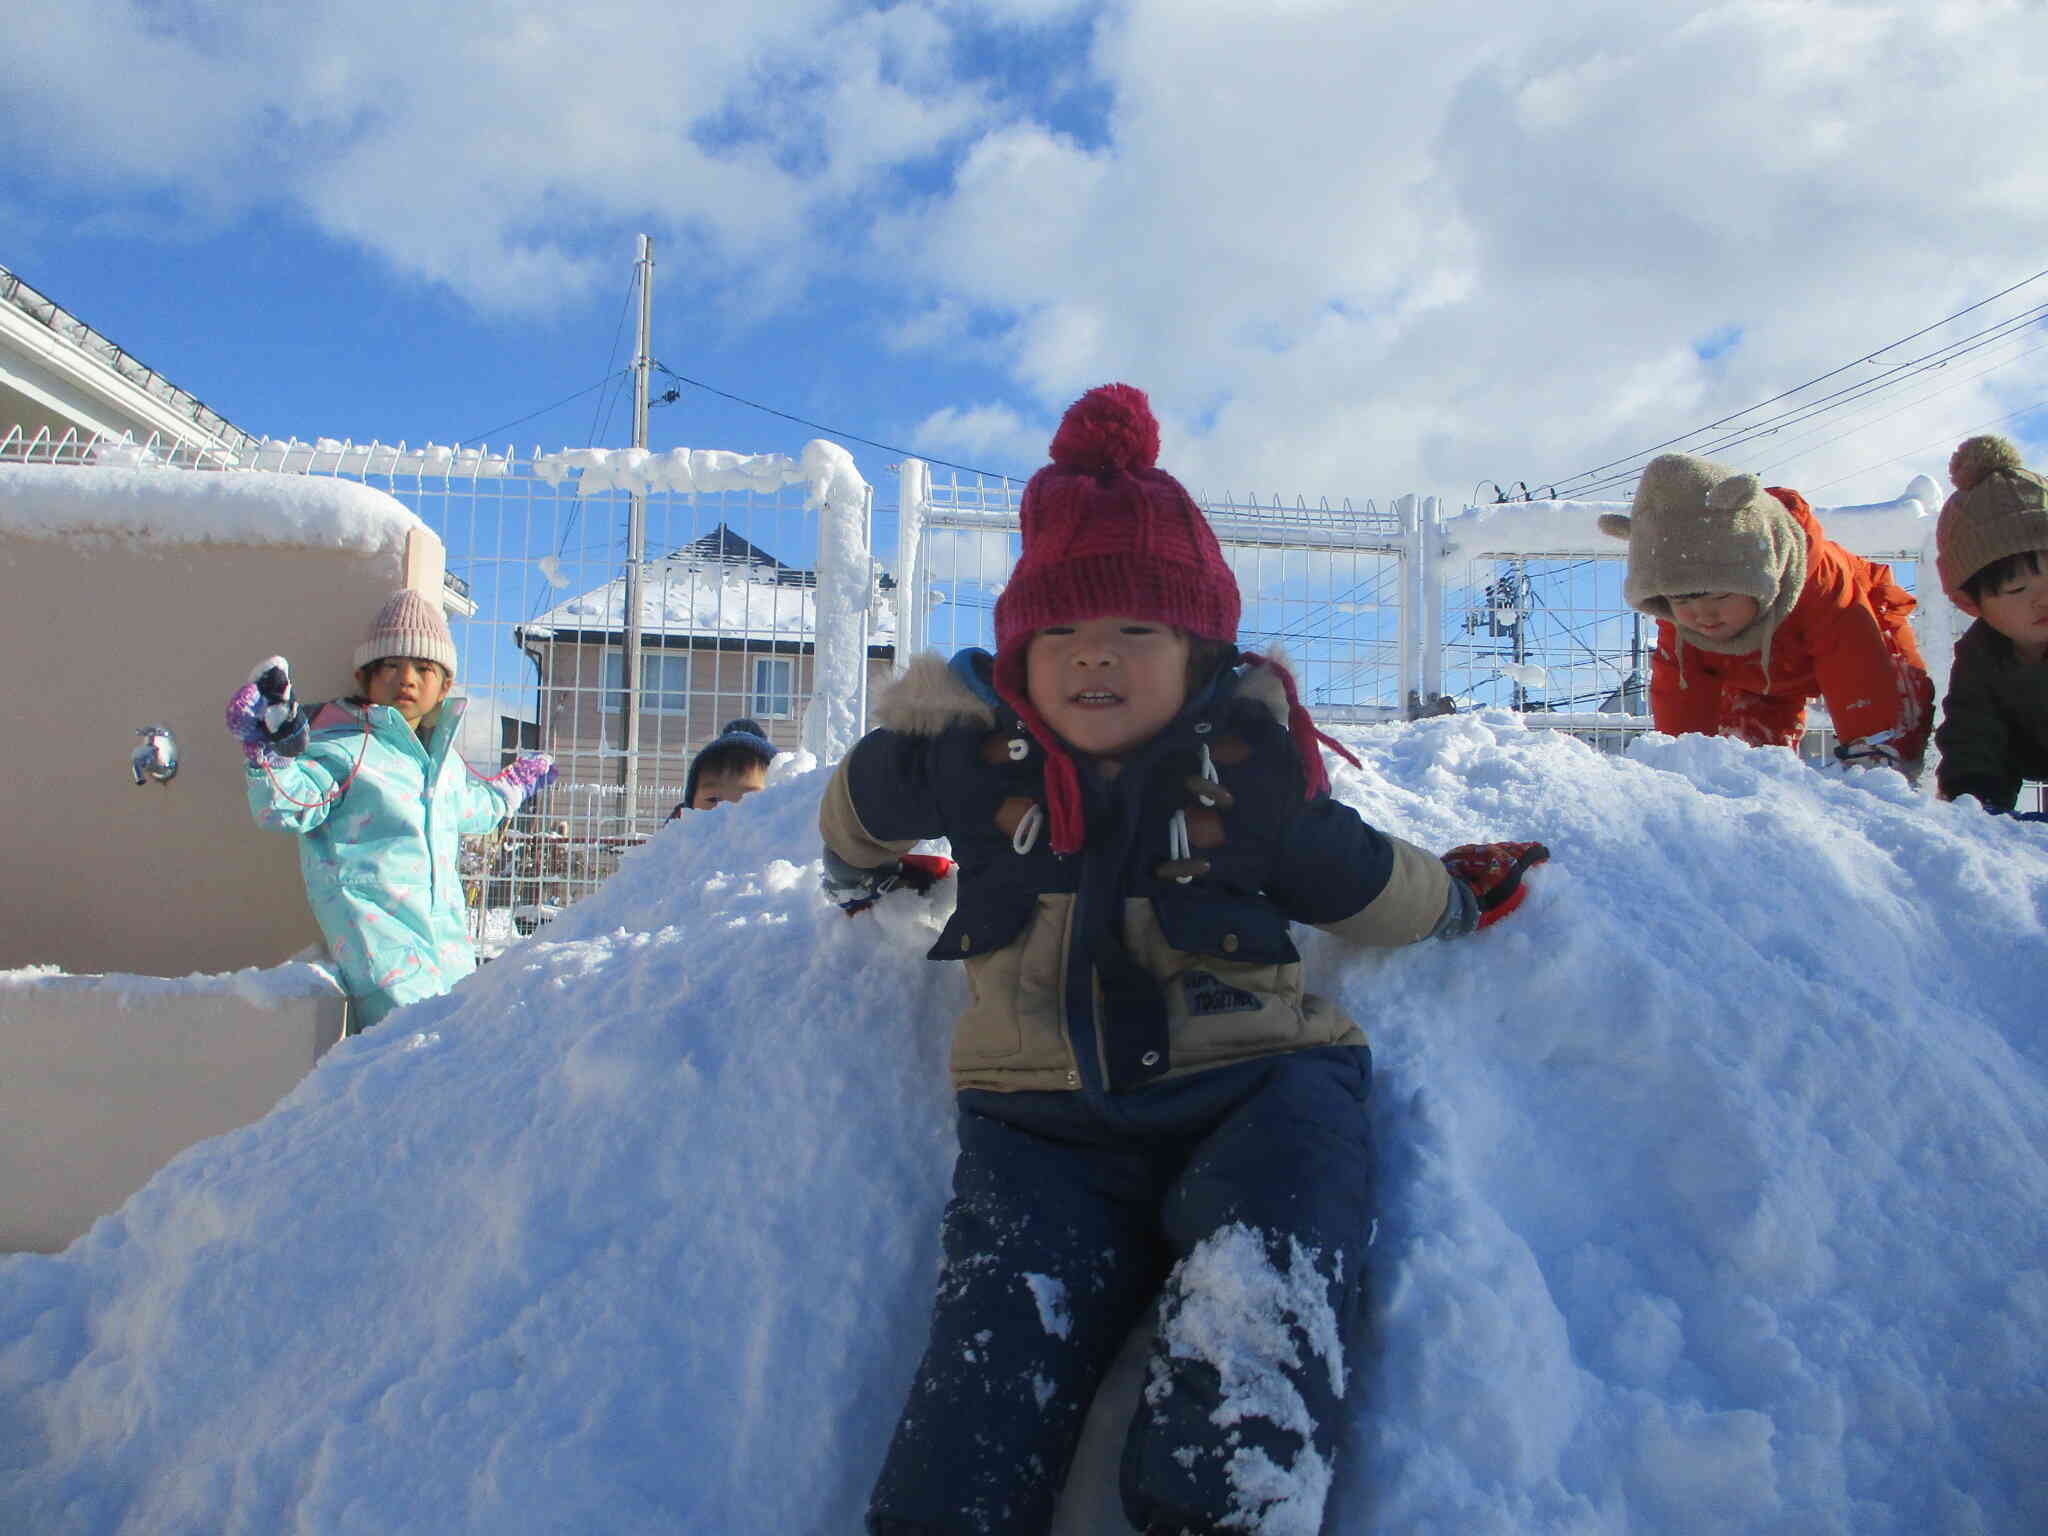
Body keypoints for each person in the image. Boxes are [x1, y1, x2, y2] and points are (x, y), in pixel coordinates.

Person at [818, 383, 1548, 1536]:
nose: (1092, 659)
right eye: (1058, 632)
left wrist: (1450, 897)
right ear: (1018, 650)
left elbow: (1350, 875)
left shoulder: (1244, 768)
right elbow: (859, 797)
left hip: (1251, 1088)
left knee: (1267, 1281)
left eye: (1133, 633)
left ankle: (1226, 1504)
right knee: (989, 1361)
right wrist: (856, 869)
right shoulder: (968, 754)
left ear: (1197, 647)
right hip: (1037, 1123)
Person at [226, 588, 556, 1033]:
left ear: (445, 686)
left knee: (445, 1055)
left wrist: (513, 788)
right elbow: (287, 808)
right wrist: (270, 754)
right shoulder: (342, 748)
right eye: (391, 666)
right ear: (365, 677)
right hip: (379, 948)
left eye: (424, 668)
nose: (407, 678)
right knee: (402, 1053)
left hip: (448, 950)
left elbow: (473, 808)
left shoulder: (444, 764)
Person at [1599, 452, 1934, 773]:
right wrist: (1682, 760)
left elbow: (1856, 665)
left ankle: (1893, 782)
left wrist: (1871, 747)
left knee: (1896, 717)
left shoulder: (1822, 582)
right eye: (1683, 602)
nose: (1702, 613)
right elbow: (1681, 690)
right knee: (1740, 752)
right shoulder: (1684, 609)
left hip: (1864, 635)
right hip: (1753, 668)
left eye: (1719, 595)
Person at [1930, 434, 2048, 816]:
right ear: (1974, 602)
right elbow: (1972, 736)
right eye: (2015, 588)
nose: (2042, 600)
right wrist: (1975, 805)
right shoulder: (1980, 656)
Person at [665, 718, 778, 820]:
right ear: (689, 807)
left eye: (748, 800)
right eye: (713, 799)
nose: (728, 814)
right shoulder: (677, 841)